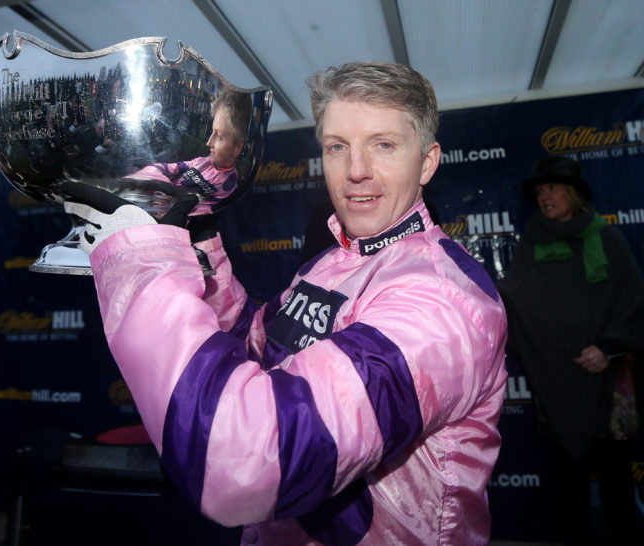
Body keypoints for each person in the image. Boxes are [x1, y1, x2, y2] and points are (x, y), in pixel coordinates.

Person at [63, 62, 508, 545]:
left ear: (426, 161)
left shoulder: (441, 300)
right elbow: (246, 349)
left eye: (383, 145)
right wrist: (194, 235)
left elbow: (244, 464)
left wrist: (141, 261)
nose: (356, 171)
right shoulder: (330, 264)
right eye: (338, 147)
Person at [498, 155, 644, 545]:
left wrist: (608, 350)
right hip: (558, 381)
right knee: (569, 481)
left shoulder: (606, 237)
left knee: (616, 479)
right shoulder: (533, 242)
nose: (546, 196)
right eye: (541, 190)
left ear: (574, 193)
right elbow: (514, 303)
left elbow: (633, 303)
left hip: (609, 378)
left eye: (554, 188)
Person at [126, 89, 251, 202]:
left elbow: (203, 207)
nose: (209, 143)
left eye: (219, 136)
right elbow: (170, 167)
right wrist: (156, 181)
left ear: (238, 147)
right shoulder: (203, 162)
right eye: (212, 132)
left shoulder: (228, 183)